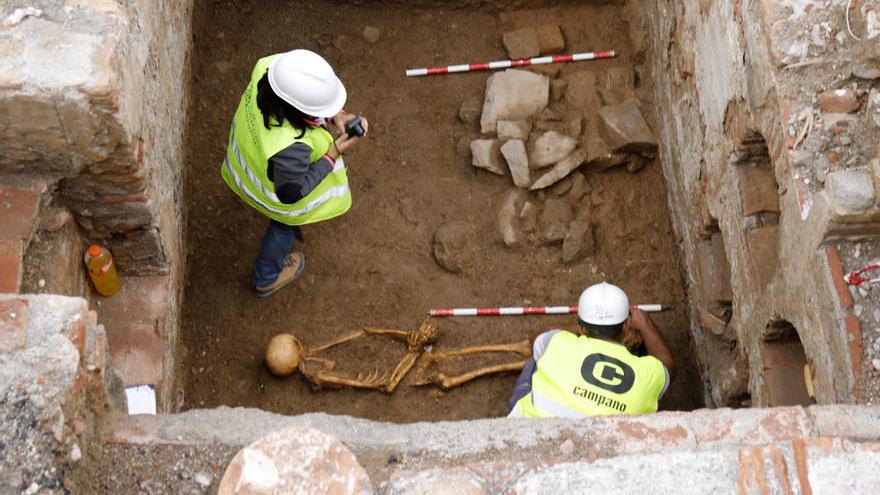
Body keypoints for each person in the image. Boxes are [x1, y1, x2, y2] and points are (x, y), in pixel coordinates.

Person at [221, 49, 368, 297]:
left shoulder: (270, 69)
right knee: (283, 227)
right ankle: (266, 278)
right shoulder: (292, 147)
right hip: (272, 193)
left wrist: (337, 116)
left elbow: (297, 101)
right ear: (301, 113)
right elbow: (291, 193)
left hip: (244, 163)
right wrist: (332, 154)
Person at [508, 282, 676, 418]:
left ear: (581, 329)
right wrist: (646, 326)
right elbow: (668, 366)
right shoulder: (647, 373)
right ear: (626, 326)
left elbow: (535, 339)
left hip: (525, 433)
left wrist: (580, 328)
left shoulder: (558, 343)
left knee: (537, 360)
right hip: (601, 455)